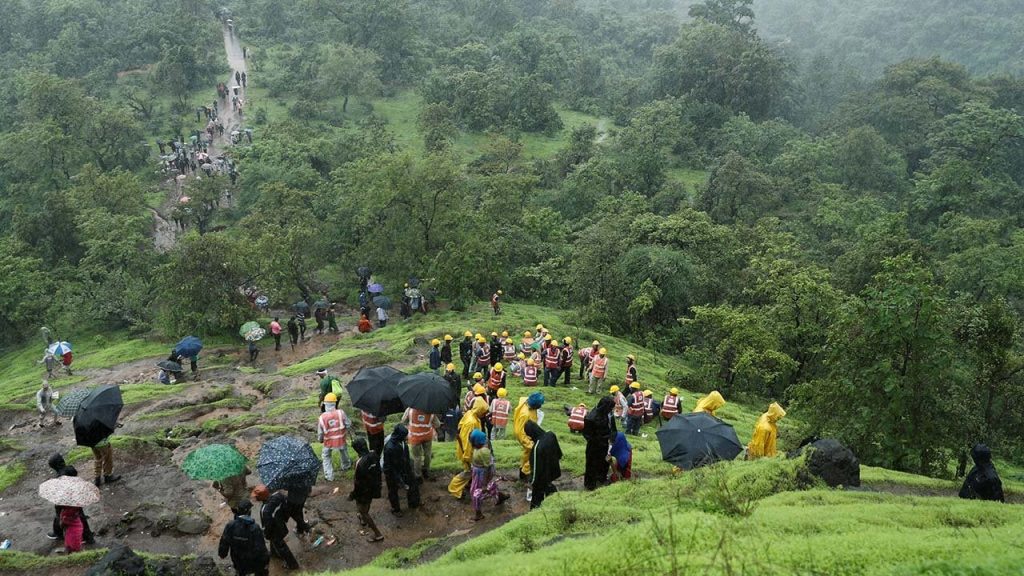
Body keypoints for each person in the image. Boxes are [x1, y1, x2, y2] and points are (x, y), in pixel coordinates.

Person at [46, 454, 94, 544]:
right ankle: (87, 536)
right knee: (80, 515)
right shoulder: (71, 469)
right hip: (76, 498)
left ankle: (58, 533)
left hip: (65, 501)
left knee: (59, 516)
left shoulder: (60, 477)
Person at [448, 397, 488, 499]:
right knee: (468, 472)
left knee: (470, 471)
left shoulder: (471, 414)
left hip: (466, 450)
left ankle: (467, 485)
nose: (484, 415)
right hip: (467, 451)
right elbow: (467, 442)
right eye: (483, 412)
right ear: (479, 410)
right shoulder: (472, 422)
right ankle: (454, 488)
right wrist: (468, 456)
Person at [218, 499, 269, 576]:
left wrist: (222, 553)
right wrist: (266, 561)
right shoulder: (255, 528)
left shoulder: (230, 525)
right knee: (261, 572)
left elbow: (224, 541)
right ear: (248, 511)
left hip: (238, 560)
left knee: (240, 572)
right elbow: (260, 548)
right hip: (253, 561)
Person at [253, 485, 299, 570]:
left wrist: (266, 534)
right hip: (281, 523)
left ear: (262, 497)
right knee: (275, 542)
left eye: (257, 497)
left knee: (281, 546)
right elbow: (286, 506)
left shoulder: (265, 510)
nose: (255, 498)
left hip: (275, 530)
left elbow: (267, 526)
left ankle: (292, 564)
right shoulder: (278, 495)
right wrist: (285, 517)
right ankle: (274, 553)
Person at [349, 438, 385, 542]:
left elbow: (358, 482)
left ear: (356, 450)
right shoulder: (374, 455)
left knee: (363, 510)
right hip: (374, 486)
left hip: (364, 490)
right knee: (366, 504)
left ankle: (378, 534)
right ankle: (362, 519)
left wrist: (353, 494)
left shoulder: (359, 463)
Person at [470, 430, 509, 520]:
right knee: (489, 486)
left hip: (482, 473)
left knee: (476, 492)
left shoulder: (484, 451)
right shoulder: (479, 446)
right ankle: (500, 496)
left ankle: (478, 513)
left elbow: (487, 468)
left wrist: (483, 484)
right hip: (479, 471)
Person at [382, 424, 420, 516]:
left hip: (404, 468)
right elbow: (388, 466)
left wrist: (409, 469)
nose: (407, 437)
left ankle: (413, 503)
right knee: (393, 491)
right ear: (399, 435)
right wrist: (398, 479)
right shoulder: (389, 447)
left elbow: (405, 456)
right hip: (391, 472)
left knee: (413, 484)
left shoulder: (402, 442)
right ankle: (395, 509)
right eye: (405, 436)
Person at [525, 421, 562, 509]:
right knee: (548, 487)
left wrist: (532, 482)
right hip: (553, 471)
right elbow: (559, 454)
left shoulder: (537, 448)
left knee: (536, 498)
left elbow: (536, 470)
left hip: (541, 478)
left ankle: (534, 514)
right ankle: (555, 501)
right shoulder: (551, 434)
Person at [582, 397, 616, 490]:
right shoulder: (591, 418)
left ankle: (601, 479)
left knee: (604, 462)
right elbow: (587, 434)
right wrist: (600, 439)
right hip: (594, 445)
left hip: (604, 443)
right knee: (591, 465)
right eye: (610, 408)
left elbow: (612, 428)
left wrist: (610, 439)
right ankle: (590, 485)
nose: (611, 410)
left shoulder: (607, 414)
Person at [318, 393, 352, 480]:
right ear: (335, 403)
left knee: (326, 456)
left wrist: (320, 440)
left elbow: (320, 433)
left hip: (328, 442)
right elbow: (348, 424)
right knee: (343, 451)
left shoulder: (322, 417)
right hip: (341, 439)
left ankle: (329, 476)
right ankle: (346, 466)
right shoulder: (341, 413)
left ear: (325, 404)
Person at [514, 392, 545, 485]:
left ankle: (522, 471)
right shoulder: (525, 414)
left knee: (526, 454)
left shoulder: (526, 401)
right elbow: (520, 432)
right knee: (532, 454)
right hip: (525, 437)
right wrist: (529, 444)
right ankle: (526, 473)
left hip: (530, 434)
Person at [402, 407, 440, 481]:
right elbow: (437, 424)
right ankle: (426, 471)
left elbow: (403, 421)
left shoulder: (410, 409)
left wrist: (411, 424)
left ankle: (418, 475)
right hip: (427, 436)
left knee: (417, 457)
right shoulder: (430, 410)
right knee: (427, 454)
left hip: (414, 436)